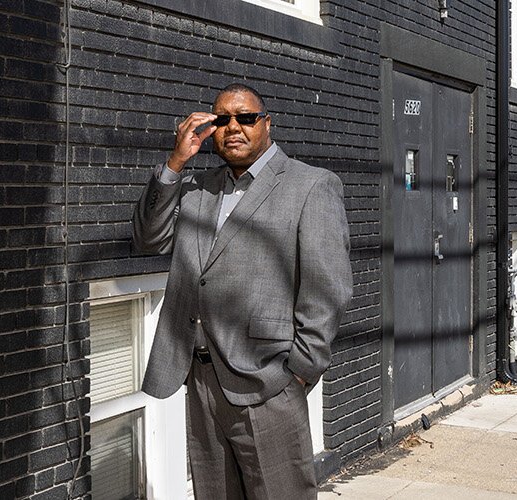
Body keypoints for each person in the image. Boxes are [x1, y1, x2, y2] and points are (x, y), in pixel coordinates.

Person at [132, 83, 352, 499]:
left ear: (266, 124)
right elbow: (148, 239)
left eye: (246, 117)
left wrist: (299, 372)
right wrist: (176, 164)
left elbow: (328, 289)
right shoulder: (198, 187)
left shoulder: (311, 185)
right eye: (222, 120)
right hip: (198, 376)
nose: (234, 127)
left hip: (268, 382)